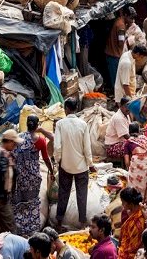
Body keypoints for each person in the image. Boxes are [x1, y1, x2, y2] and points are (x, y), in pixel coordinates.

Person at [53, 97, 93, 228]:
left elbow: (57, 147)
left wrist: (58, 161)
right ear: (76, 109)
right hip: (81, 167)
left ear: (66, 109)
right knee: (82, 195)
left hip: (65, 166)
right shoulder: (83, 124)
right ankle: (82, 223)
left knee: (63, 193)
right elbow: (87, 148)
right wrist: (91, 164)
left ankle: (59, 221)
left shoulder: (60, 124)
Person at [13, 114, 54, 236]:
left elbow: (14, 156)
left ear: (26, 124)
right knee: (32, 202)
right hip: (33, 177)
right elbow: (46, 158)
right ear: (37, 125)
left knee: (20, 201)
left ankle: (19, 227)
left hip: (20, 176)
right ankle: (31, 228)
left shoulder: (18, 138)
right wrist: (51, 171)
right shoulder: (40, 141)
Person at [122, 124, 147, 205]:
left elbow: (126, 162)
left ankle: (137, 203)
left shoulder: (128, 142)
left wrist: (130, 170)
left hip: (139, 163)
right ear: (139, 131)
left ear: (129, 132)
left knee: (134, 184)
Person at [117, 188, 146, 259]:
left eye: (123, 202)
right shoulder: (126, 212)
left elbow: (133, 247)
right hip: (124, 247)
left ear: (131, 203)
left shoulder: (139, 220)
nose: (122, 204)